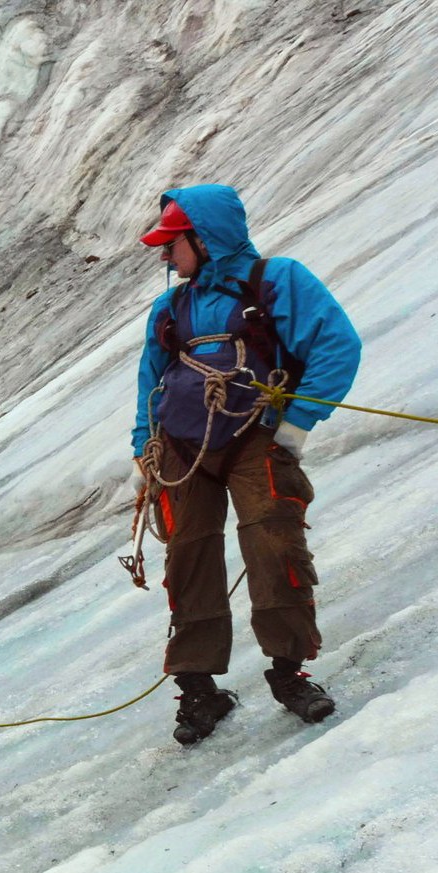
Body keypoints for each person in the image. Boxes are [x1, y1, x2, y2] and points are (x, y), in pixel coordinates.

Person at [132, 184, 361, 745]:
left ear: (204, 239)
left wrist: (297, 422)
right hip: (181, 447)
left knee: (273, 545)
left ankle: (290, 673)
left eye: (172, 243)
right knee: (187, 559)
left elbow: (337, 345)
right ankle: (197, 687)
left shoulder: (277, 280)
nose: (165, 256)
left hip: (257, 437)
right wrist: (145, 445)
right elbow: (150, 378)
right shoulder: (171, 306)